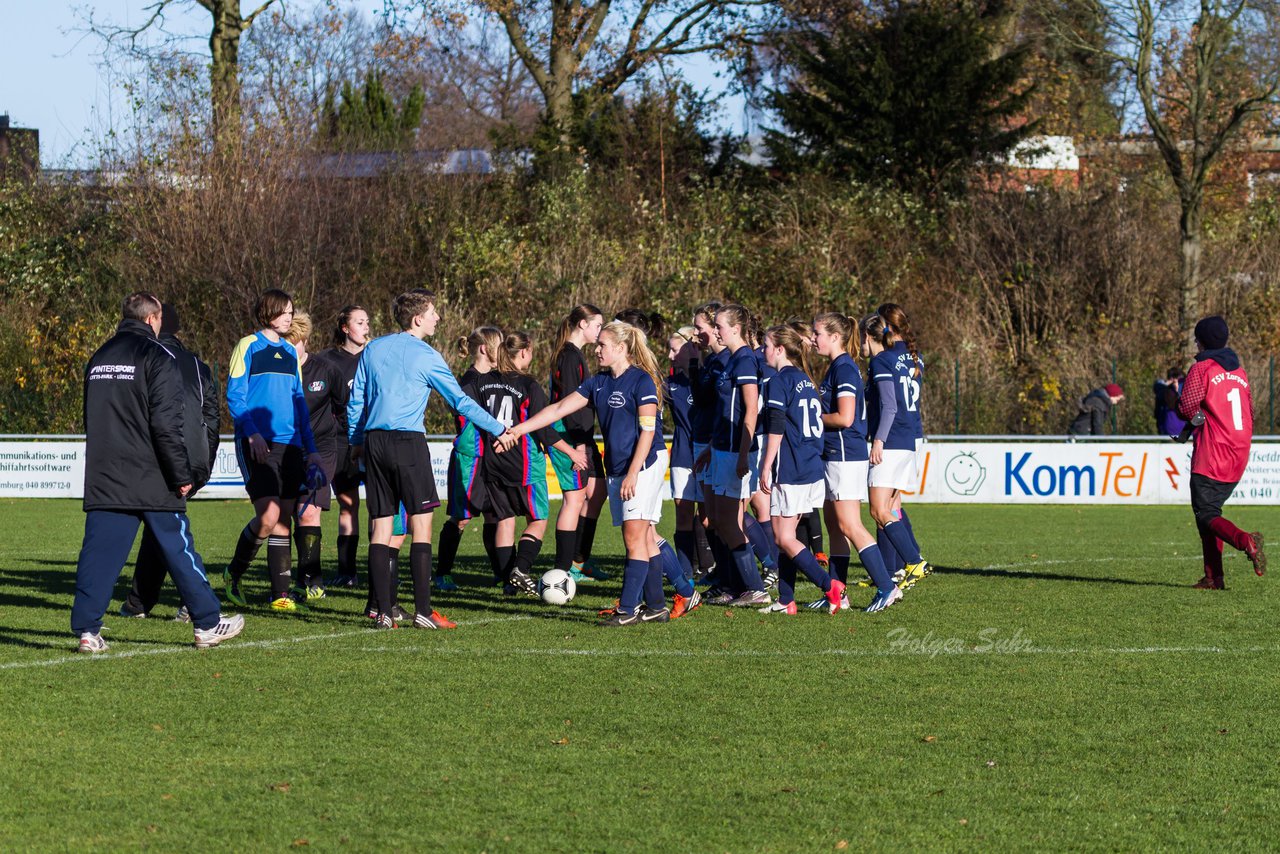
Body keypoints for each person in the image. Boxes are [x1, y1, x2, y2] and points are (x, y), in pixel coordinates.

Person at [72, 292, 243, 652]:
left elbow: (92, 418)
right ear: (153, 319)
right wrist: (181, 473)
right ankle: (208, 623)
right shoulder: (156, 355)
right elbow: (166, 424)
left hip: (106, 474)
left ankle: (88, 631)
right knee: (179, 549)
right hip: (151, 475)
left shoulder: (99, 358)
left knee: (99, 555)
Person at [347, 289, 511, 629]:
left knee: (381, 526)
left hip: (374, 441)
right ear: (418, 318)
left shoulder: (374, 348)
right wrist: (499, 428)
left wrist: (356, 441)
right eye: (433, 313)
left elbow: (357, 399)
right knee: (421, 525)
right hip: (408, 441)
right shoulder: (427, 355)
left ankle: (382, 612)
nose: (437, 318)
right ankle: (424, 611)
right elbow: (460, 402)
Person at [501, 321, 671, 627]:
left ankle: (628, 609)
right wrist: (517, 429)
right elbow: (558, 409)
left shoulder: (642, 381)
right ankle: (657, 606)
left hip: (643, 465)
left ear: (621, 349)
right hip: (619, 466)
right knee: (643, 536)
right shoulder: (599, 383)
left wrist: (633, 474)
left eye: (602, 345)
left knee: (633, 537)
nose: (597, 349)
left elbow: (647, 434)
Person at [223, 289, 323, 612]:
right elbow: (235, 397)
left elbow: (299, 405)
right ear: (268, 312)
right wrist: (251, 434)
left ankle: (280, 594)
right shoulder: (247, 346)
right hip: (258, 443)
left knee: (284, 519)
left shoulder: (292, 355)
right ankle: (233, 574)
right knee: (267, 516)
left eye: (291, 312)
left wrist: (312, 451)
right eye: (284, 312)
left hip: (291, 445)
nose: (289, 317)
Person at [120, 303, 220, 621]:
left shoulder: (145, 359)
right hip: (192, 460)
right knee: (160, 529)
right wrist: (203, 465)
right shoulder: (199, 367)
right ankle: (139, 602)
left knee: (169, 533)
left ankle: (194, 600)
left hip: (160, 460)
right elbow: (212, 420)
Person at [476, 331, 588, 595]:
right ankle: (521, 569)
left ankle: (507, 584)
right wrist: (571, 452)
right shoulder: (528, 385)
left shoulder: (483, 383)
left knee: (504, 520)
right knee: (537, 520)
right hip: (524, 463)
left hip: (493, 460)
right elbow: (545, 430)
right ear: (524, 352)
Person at [810, 312, 897, 613]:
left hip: (845, 455)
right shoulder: (835, 367)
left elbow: (845, 418)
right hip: (834, 454)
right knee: (834, 525)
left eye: (817, 333)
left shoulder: (844, 368)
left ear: (835, 337)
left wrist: (812, 418)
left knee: (850, 524)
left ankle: (887, 587)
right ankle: (838, 593)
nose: (813, 338)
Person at [757, 324, 846, 615]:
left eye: (767, 346)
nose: (763, 351)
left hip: (792, 467)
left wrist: (766, 464)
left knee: (783, 537)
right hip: (809, 465)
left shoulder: (778, 381)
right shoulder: (806, 380)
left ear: (780, 350)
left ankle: (829, 585)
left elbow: (777, 427)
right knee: (788, 536)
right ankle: (786, 599)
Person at [1176, 315, 1266, 588]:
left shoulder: (1202, 368)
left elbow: (1187, 408)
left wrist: (1193, 418)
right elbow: (1249, 411)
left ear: (1201, 341)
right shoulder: (1239, 371)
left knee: (1205, 513)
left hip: (1213, 451)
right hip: (1239, 451)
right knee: (1211, 512)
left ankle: (1245, 541)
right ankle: (1214, 578)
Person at [702, 304, 771, 607]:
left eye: (718, 326)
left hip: (734, 453)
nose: (715, 331)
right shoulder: (730, 361)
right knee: (716, 518)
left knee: (731, 521)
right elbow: (724, 413)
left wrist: (743, 453)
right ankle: (731, 585)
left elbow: (751, 410)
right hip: (720, 450)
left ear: (735, 328)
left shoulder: (744, 361)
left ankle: (755, 587)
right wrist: (709, 449)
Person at [860, 313, 930, 592]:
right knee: (891, 508)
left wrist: (878, 440)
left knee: (879, 510)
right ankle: (891, 572)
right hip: (909, 436)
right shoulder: (911, 357)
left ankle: (914, 561)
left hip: (891, 440)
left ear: (869, 336)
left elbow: (889, 406)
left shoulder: (881, 361)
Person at [285, 311, 348, 600]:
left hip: (322, 450)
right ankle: (288, 581)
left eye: (295, 342)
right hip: (286, 448)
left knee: (308, 512)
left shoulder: (326, 370)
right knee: (285, 516)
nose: (290, 347)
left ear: (305, 341)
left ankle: (312, 579)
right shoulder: (277, 372)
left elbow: (343, 406)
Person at [436, 326, 502, 590]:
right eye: (499, 345)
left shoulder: (499, 378)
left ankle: (502, 574)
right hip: (471, 457)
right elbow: (470, 417)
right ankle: (442, 574)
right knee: (462, 517)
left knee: (495, 515)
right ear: (485, 349)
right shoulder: (468, 382)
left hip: (495, 457)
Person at [548, 304, 610, 583]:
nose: (600, 331)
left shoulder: (575, 356)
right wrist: (577, 446)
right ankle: (563, 570)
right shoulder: (569, 357)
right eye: (598, 325)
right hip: (570, 437)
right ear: (583, 324)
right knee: (574, 499)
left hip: (582, 435)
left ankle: (579, 560)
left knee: (597, 492)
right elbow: (569, 406)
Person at [322, 305, 371, 588]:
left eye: (367, 322)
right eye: (359, 322)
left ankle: (386, 569)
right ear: (345, 327)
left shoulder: (374, 357)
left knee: (381, 505)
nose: (366, 327)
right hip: (340, 441)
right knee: (347, 504)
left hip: (373, 439)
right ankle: (346, 570)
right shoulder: (327, 360)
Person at [1155, 367, 1187, 436]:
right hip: (1171, 434)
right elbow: (1158, 387)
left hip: (1187, 434)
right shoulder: (1167, 393)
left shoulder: (1188, 392)